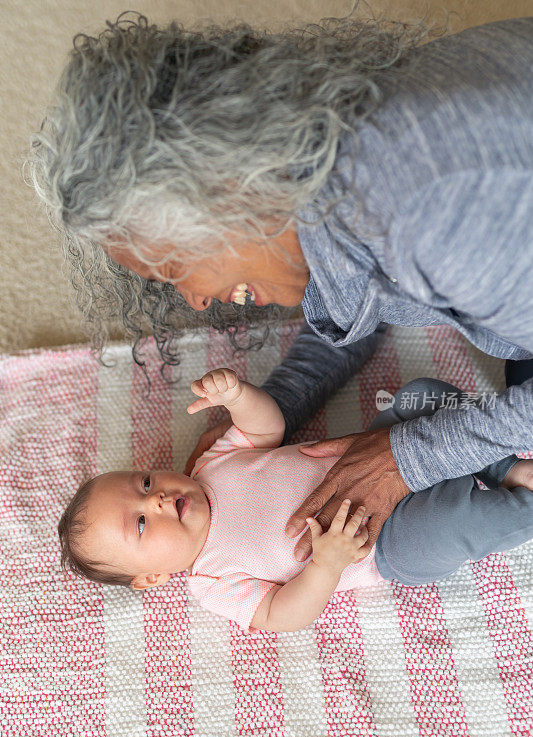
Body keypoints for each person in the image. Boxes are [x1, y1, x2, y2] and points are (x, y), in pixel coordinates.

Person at [30, 14, 533, 561]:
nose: (194, 300)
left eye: (173, 269)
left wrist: (405, 457)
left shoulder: (429, 213)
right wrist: (275, 410)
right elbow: (358, 300)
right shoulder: (331, 181)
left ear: (221, 191)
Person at [58, 368, 533, 633]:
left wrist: (238, 395)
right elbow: (280, 614)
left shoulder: (209, 466)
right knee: (453, 522)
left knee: (419, 396)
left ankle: (503, 467)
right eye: (140, 524)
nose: (157, 500)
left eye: (143, 483)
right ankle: (523, 500)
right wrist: (325, 565)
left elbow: (267, 428)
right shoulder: (211, 580)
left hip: (377, 448)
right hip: (384, 542)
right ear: (153, 578)